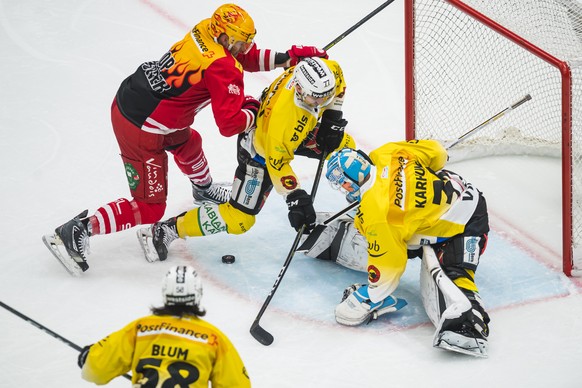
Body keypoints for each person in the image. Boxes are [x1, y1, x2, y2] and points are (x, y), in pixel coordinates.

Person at [42, 3, 328, 275]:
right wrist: (253, 111)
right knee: (150, 206)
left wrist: (286, 58)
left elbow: (240, 57)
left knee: (189, 144)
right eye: (240, 42)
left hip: (141, 99)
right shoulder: (222, 67)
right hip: (141, 125)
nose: (245, 48)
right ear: (225, 36)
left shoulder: (206, 30)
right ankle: (76, 231)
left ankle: (203, 191)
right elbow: (230, 125)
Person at [137, 57, 356, 262]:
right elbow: (276, 162)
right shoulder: (284, 121)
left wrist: (331, 117)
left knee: (345, 147)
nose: (320, 101)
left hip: (290, 136)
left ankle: (359, 198)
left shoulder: (324, 72)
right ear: (298, 88)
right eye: (315, 98)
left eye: (324, 96)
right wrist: (295, 196)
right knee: (240, 220)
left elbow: (339, 82)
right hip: (259, 152)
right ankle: (167, 229)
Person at [299, 140, 491, 357]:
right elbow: (438, 153)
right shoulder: (386, 152)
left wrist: (372, 295)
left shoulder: (377, 214)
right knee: (388, 229)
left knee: (456, 272)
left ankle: (470, 325)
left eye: (342, 183)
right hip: (454, 185)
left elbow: (390, 267)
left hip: (465, 221)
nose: (343, 189)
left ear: (349, 182)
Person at [77, 265, 251, 387]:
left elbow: (96, 370)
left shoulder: (140, 329)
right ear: (198, 293)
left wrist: (89, 356)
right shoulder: (214, 339)